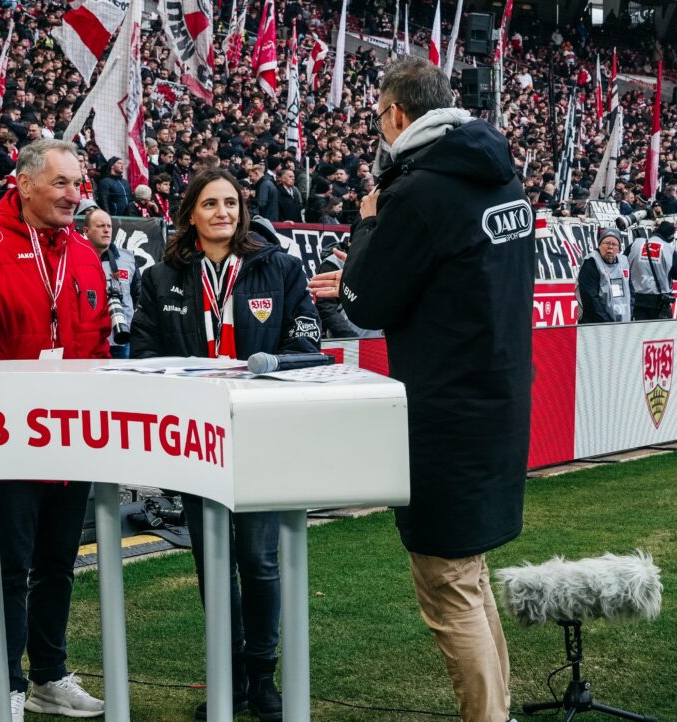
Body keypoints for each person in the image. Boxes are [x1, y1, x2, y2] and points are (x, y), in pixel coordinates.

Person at [308, 56, 531, 722]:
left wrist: (370, 222)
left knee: (448, 588)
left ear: (398, 115)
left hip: (446, 415)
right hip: (497, 401)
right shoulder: (500, 174)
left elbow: (365, 302)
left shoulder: (419, 191)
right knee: (469, 578)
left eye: (379, 116)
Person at [0, 138, 109, 722]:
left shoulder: (84, 253)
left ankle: (48, 676)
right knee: (10, 566)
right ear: (24, 184)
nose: (72, 194)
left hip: (72, 439)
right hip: (9, 441)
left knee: (60, 561)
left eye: (77, 184)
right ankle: (4, 683)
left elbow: (101, 341)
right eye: (60, 183)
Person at [130, 168, 319, 720]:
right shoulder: (161, 277)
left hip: (262, 433)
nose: (223, 213)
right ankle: (229, 677)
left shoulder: (279, 267)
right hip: (196, 440)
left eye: (231, 203)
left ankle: (262, 676)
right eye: (210, 204)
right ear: (191, 212)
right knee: (213, 564)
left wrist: (271, 363)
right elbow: (142, 356)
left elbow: (310, 343)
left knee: (258, 561)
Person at [82, 204, 137, 359]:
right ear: (86, 231)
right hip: (89, 339)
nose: (106, 230)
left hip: (121, 338)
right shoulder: (77, 259)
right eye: (100, 226)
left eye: (109, 226)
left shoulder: (127, 258)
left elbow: (137, 294)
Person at [628, 221, 677, 320]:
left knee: (639, 332)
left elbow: (623, 264)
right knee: (660, 333)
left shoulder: (635, 244)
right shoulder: (669, 249)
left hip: (635, 298)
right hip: (659, 300)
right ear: (670, 236)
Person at [575, 229, 632, 324]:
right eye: (606, 243)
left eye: (614, 244)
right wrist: (607, 322)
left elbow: (631, 291)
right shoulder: (591, 262)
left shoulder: (624, 261)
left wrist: (629, 312)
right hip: (595, 323)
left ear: (619, 249)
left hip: (622, 322)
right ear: (599, 245)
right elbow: (591, 299)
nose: (610, 247)